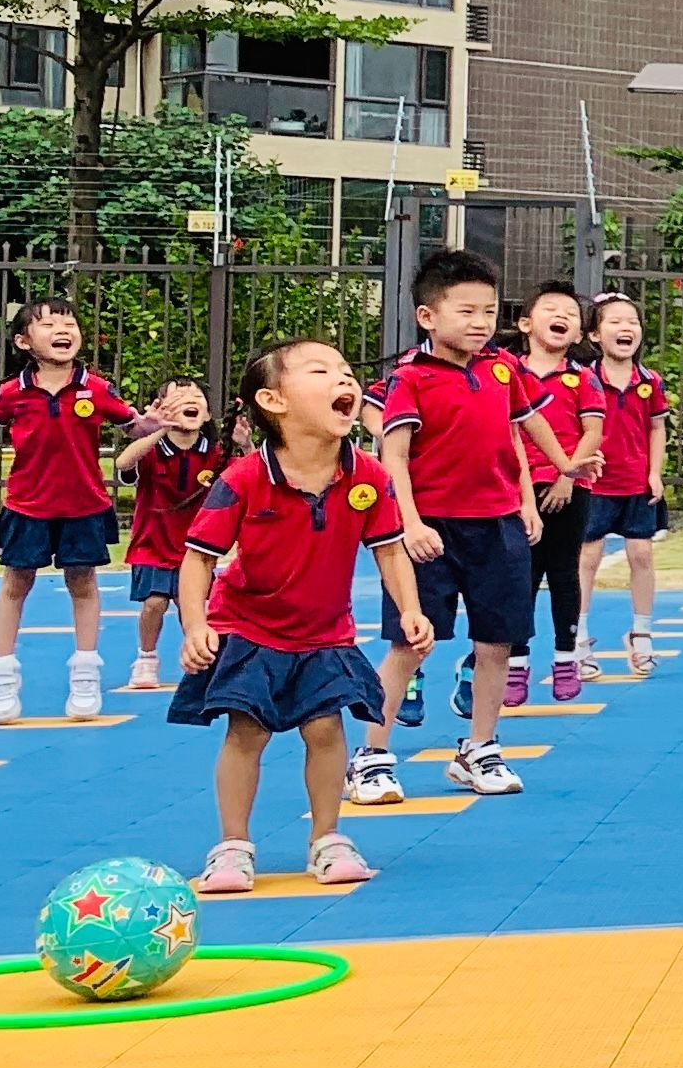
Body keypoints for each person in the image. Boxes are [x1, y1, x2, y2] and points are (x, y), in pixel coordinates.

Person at [170, 341, 432, 893]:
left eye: (344, 371)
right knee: (248, 731)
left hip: (324, 631)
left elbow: (389, 550)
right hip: (248, 627)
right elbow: (198, 561)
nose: (343, 379)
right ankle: (233, 846)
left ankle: (328, 838)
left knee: (325, 727)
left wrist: (411, 609)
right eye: (321, 371)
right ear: (274, 401)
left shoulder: (368, 477)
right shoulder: (243, 478)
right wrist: (196, 626)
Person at [360, 249, 542, 803]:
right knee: (410, 643)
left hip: (497, 525)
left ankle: (480, 747)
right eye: (466, 311)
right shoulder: (409, 378)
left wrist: (527, 501)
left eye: (489, 311)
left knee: (497, 642)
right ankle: (371, 757)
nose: (481, 322)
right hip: (431, 528)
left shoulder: (502, 370)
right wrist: (409, 524)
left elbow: (516, 438)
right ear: (427, 316)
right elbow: (394, 458)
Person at [0, 296, 131, 724]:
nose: (62, 330)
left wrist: (159, 421)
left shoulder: (99, 389)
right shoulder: (13, 393)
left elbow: (133, 423)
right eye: (48, 324)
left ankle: (86, 672)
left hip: (84, 505)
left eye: (68, 322)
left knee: (83, 583)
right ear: (23, 341)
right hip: (27, 505)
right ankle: (1, 676)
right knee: (15, 583)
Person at [510, 283, 604, 704]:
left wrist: (568, 475)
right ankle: (516, 664)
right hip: (517, 491)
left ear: (579, 334)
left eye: (570, 312)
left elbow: (594, 431)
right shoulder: (508, 373)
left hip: (571, 488)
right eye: (551, 308)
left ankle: (566, 657)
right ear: (526, 323)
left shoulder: (582, 378)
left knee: (564, 573)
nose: (561, 315)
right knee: (521, 577)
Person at [578, 294, 673, 678]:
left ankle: (642, 634)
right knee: (586, 560)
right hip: (596, 485)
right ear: (595, 335)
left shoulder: (650, 383)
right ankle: (578, 640)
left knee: (642, 556)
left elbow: (657, 429)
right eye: (615, 321)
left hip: (636, 484)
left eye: (632, 321)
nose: (625, 328)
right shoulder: (583, 380)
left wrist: (654, 473)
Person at [115, 377, 218, 693]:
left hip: (194, 549)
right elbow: (123, 462)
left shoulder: (215, 453)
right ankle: (146, 657)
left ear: (207, 414)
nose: (190, 399)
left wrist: (244, 445)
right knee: (155, 603)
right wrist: (157, 428)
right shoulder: (152, 450)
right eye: (180, 395)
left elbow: (249, 477)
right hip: (152, 544)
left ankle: (200, 658)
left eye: (196, 396)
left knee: (194, 607)